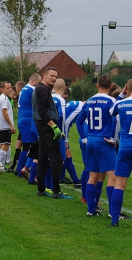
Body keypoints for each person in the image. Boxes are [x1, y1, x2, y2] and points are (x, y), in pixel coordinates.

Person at [76, 74, 117, 216]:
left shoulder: (88, 101)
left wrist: (84, 138)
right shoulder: (112, 100)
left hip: (91, 140)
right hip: (104, 141)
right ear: (111, 86)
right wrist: (114, 138)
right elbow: (117, 120)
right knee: (112, 175)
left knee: (93, 175)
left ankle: (90, 210)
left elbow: (79, 121)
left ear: (97, 85)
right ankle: (113, 212)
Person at [32, 67, 73, 199]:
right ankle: (56, 190)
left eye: (56, 76)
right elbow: (43, 111)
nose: (54, 79)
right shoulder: (43, 90)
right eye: (52, 76)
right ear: (44, 75)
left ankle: (41, 189)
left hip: (41, 125)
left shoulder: (39, 89)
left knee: (43, 157)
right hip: (46, 126)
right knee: (56, 158)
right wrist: (54, 127)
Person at [109, 81, 132, 227]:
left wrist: (122, 94)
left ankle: (114, 220)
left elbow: (111, 111)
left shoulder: (121, 103)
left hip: (125, 148)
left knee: (119, 184)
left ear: (127, 89)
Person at [17, 73, 42, 178]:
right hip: (28, 120)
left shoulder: (24, 89)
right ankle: (20, 171)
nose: (39, 85)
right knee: (28, 147)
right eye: (38, 83)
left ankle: (20, 170)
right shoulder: (31, 90)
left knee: (28, 146)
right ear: (33, 81)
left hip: (23, 119)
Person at [7, 81, 25, 173]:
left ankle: (20, 167)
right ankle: (15, 166)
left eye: (15, 94)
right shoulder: (14, 100)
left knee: (24, 147)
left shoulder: (23, 98)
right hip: (22, 126)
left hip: (26, 126)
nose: (15, 96)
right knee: (18, 145)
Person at [0, 81, 16, 169]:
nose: (9, 89)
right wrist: (11, 125)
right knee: (5, 145)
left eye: (10, 87)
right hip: (4, 125)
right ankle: (1, 165)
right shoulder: (4, 99)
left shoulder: (0, 98)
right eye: (7, 88)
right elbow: (4, 112)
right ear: (3, 89)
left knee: (0, 144)